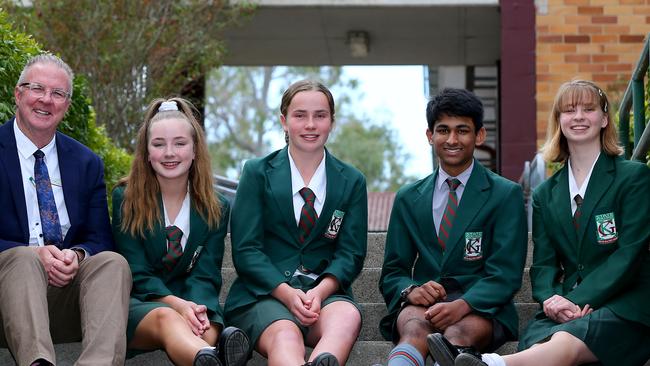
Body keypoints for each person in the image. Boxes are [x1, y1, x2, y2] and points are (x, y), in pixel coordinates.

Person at [445, 80, 650, 366]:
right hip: (564, 309)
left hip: (625, 304)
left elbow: (630, 254)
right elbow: (543, 265)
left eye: (588, 109)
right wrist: (553, 300)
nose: (578, 116)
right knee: (546, 339)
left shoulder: (634, 177)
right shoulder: (545, 193)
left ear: (604, 119)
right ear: (559, 121)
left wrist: (579, 298)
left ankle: (492, 364)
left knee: (566, 340)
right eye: (569, 110)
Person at [378, 88, 528, 366]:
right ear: (429, 136)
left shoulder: (505, 194)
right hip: (423, 306)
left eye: (462, 130)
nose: (452, 139)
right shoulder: (408, 198)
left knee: (457, 334)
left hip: (481, 307)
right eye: (443, 130)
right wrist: (411, 290)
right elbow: (393, 270)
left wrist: (464, 304)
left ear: (479, 135)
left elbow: (505, 273)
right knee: (414, 329)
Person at [224, 80, 368, 366]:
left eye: (320, 115)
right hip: (264, 295)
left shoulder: (351, 181)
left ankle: (324, 361)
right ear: (284, 121)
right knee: (286, 336)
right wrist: (287, 293)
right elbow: (246, 250)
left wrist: (320, 291)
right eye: (300, 115)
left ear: (332, 122)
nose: (310, 124)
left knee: (348, 316)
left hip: (323, 295)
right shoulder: (257, 173)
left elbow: (350, 254)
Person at [0, 54, 131, 365]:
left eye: (58, 93)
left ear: (66, 105)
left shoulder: (86, 163)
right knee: (22, 258)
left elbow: (100, 238)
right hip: (4, 295)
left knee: (112, 263)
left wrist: (78, 255)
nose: (47, 100)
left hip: (62, 296)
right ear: (18, 94)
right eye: (37, 89)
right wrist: (33, 255)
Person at [111, 97, 250, 366]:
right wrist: (176, 305)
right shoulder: (125, 198)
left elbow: (206, 275)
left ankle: (208, 354)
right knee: (168, 318)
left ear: (195, 149)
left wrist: (194, 307)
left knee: (208, 324)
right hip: (141, 302)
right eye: (159, 144)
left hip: (195, 303)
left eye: (180, 143)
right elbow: (136, 272)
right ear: (147, 153)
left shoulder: (216, 207)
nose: (169, 153)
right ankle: (215, 356)